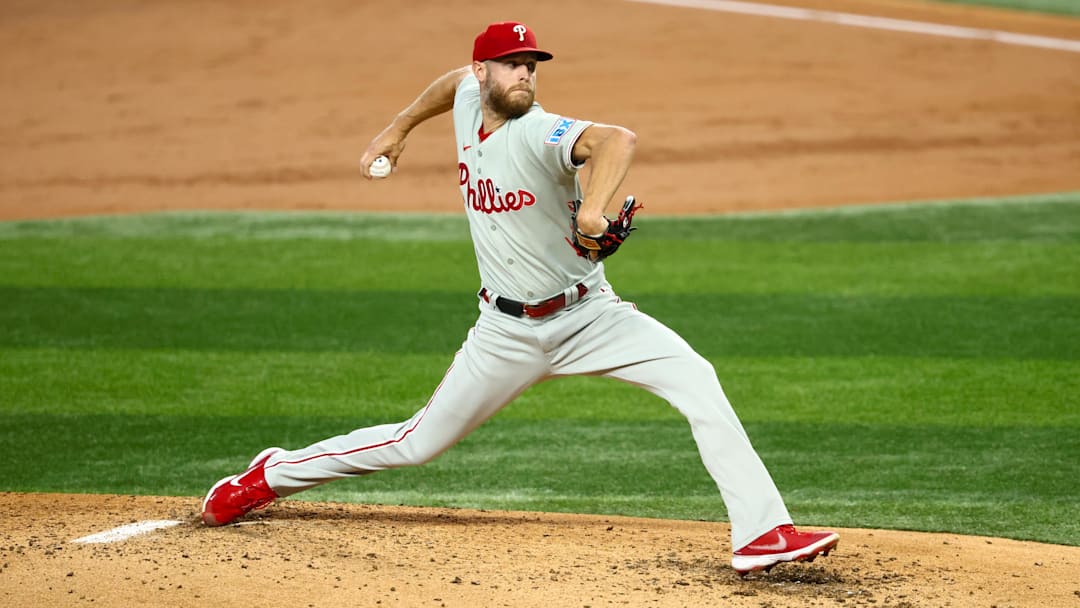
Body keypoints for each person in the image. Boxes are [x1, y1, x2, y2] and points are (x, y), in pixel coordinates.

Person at [201, 20, 839, 576]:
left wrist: (593, 209)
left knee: (696, 379)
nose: (524, 76)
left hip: (590, 316)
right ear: (486, 73)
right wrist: (396, 129)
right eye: (511, 65)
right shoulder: (466, 100)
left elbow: (617, 140)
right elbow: (451, 81)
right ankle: (269, 475)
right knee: (415, 443)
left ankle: (760, 533)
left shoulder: (541, 132)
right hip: (503, 332)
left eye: (531, 66)